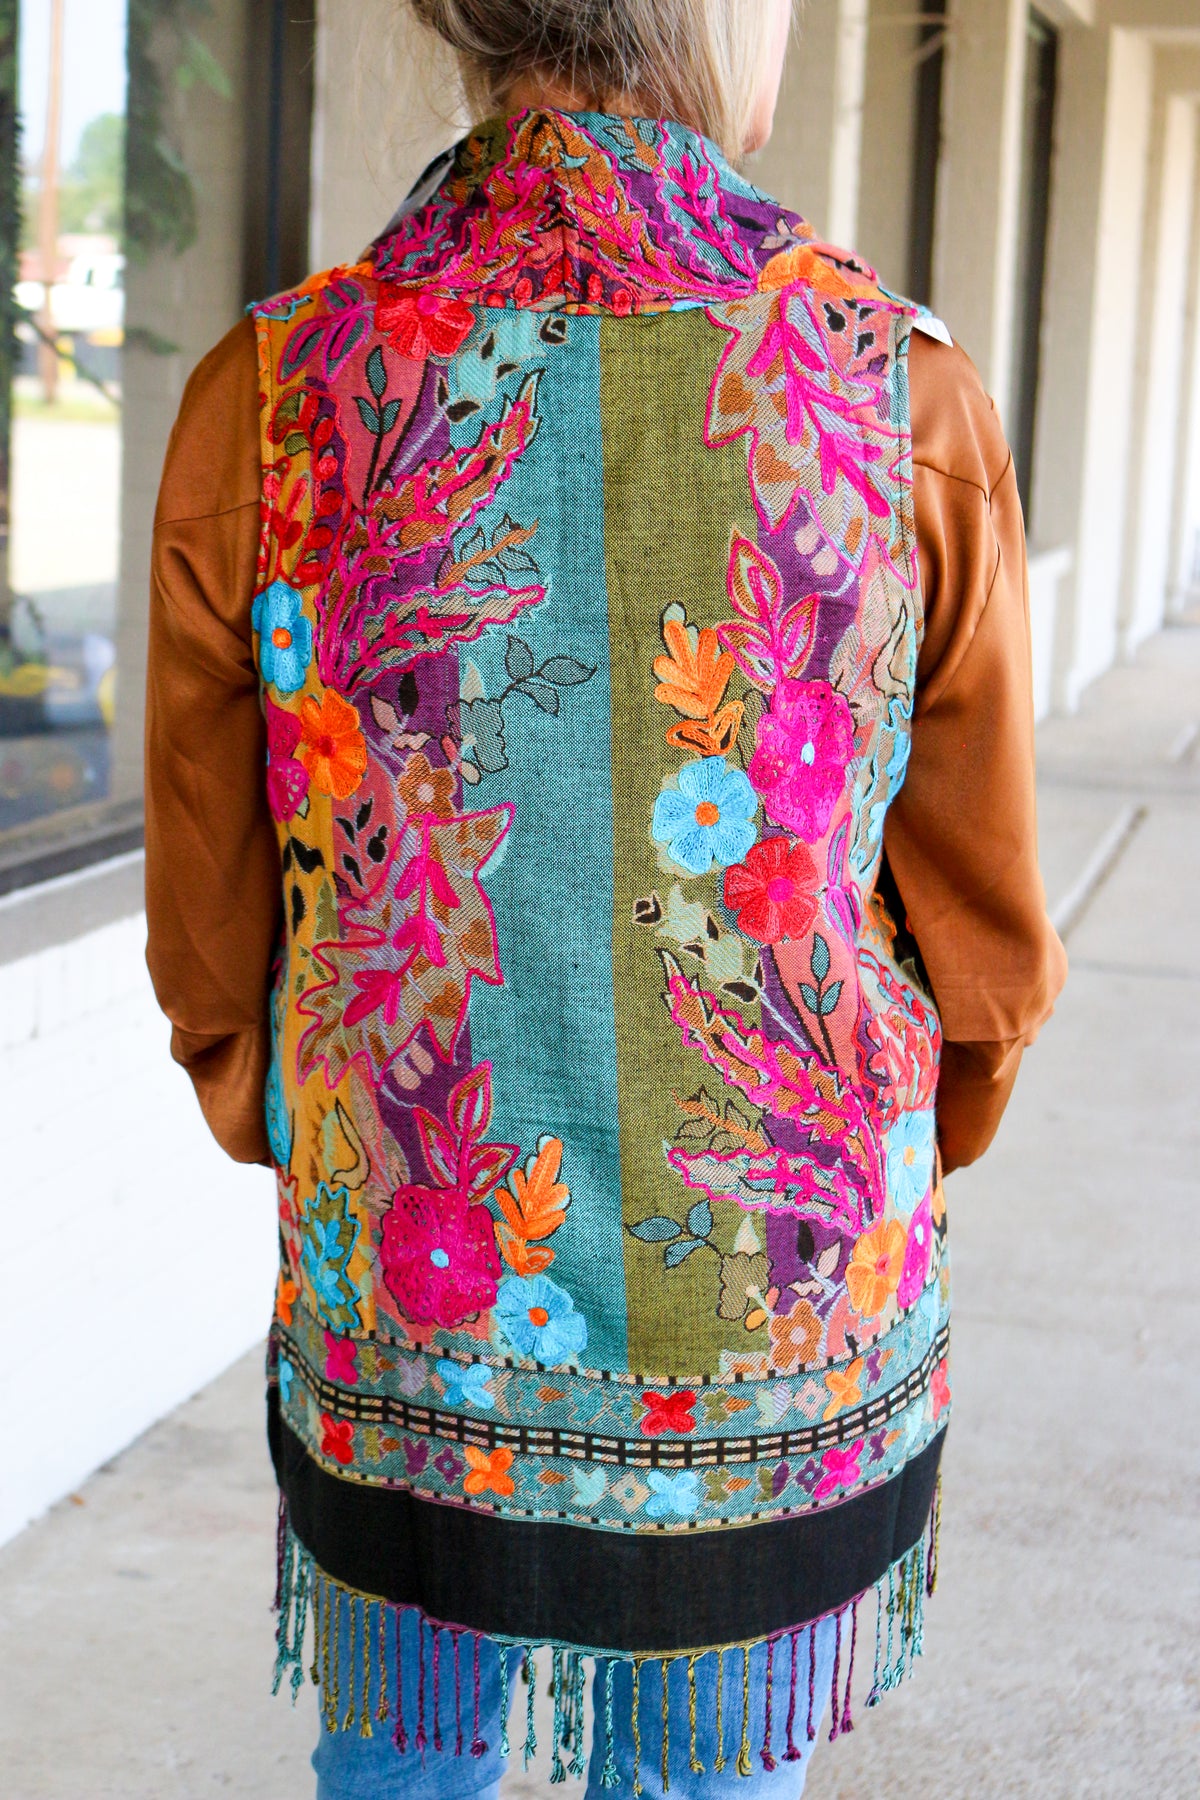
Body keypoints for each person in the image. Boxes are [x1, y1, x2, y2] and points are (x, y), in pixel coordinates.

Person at [144, 1, 1067, 1794]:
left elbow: (211, 925)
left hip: (411, 1282)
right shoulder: (898, 392)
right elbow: (983, 942)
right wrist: (905, 1145)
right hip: (772, 1322)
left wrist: (294, 1116)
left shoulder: (274, 390)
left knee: (402, 1763)